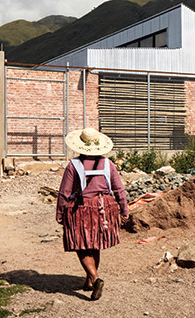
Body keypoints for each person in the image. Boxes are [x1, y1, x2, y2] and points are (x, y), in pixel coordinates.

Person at [56, 127, 128, 301]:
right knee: (95, 244)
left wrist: (60, 212)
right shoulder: (108, 164)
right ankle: (89, 281)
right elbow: (119, 189)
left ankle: (95, 279)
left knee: (81, 245)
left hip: (81, 208)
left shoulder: (73, 165)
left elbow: (64, 192)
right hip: (105, 207)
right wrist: (124, 209)